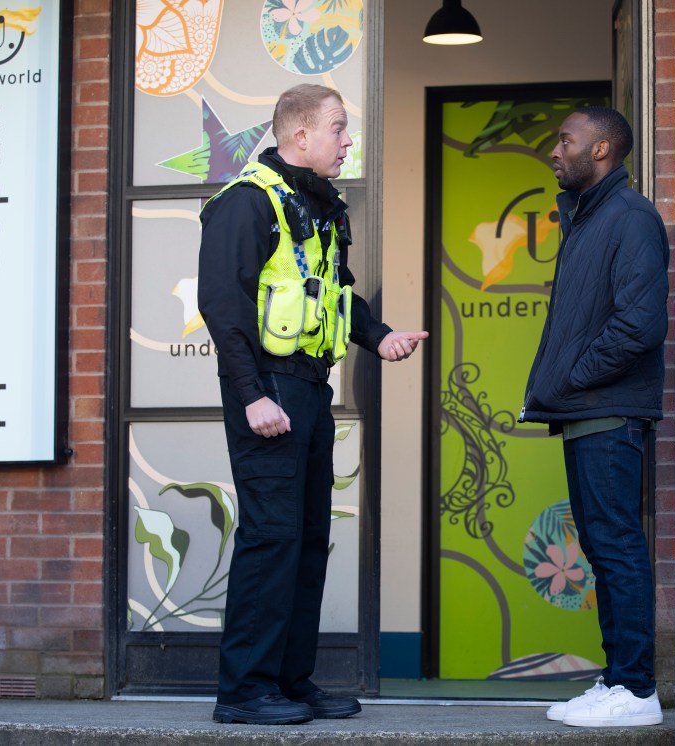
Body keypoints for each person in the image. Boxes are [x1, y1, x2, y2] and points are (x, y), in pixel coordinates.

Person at [198, 83, 427, 726]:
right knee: (271, 538)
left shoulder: (320, 209)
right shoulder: (245, 204)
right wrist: (250, 398)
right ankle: (244, 691)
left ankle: (290, 682)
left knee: (307, 539)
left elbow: (336, 293)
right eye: (338, 128)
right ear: (300, 134)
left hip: (310, 388)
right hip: (266, 387)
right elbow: (223, 304)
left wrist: (379, 337)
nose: (347, 140)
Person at [519, 106, 669, 728]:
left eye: (566, 140)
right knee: (606, 549)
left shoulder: (629, 218)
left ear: (602, 148)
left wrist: (573, 377)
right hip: (589, 412)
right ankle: (618, 680)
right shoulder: (588, 218)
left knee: (617, 548)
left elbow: (640, 324)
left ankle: (635, 691)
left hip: (607, 410)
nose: (555, 150)